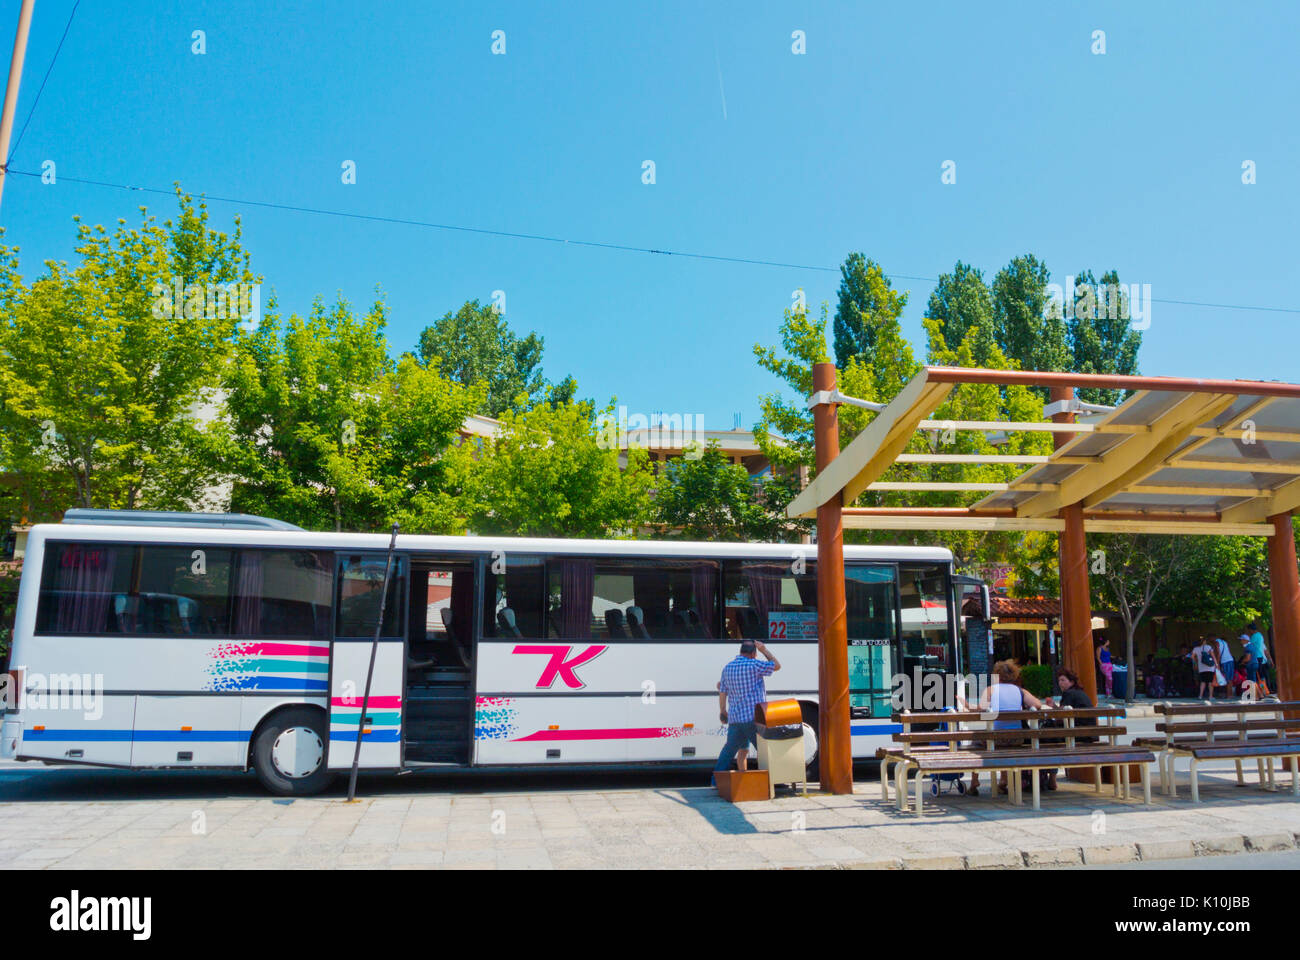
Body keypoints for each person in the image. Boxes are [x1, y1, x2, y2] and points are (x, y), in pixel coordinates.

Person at [958, 659, 1044, 796]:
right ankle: (1003, 780)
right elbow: (1038, 704)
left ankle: (974, 782)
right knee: (1002, 743)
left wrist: (968, 706)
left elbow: (982, 710)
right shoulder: (1020, 691)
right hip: (1017, 739)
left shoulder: (991, 690)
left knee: (976, 742)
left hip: (996, 740)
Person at [712, 640, 780, 782]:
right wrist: (764, 650)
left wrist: (723, 711)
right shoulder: (754, 665)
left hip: (735, 718)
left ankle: (716, 781)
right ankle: (773, 779)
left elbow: (723, 692)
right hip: (752, 718)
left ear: (740, 652)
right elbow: (777, 666)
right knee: (764, 750)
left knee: (731, 751)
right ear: (753, 653)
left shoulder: (727, 668)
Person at [1043, 667, 1098, 789]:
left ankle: (1050, 778)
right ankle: (1051, 778)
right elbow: (1065, 713)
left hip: (1078, 736)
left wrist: (1052, 710)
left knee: (1046, 740)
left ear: (1071, 682)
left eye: (1063, 680)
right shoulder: (1079, 693)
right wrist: (1054, 707)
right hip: (1089, 735)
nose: (1060, 683)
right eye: (1059, 680)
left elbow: (1061, 717)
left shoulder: (1069, 693)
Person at [1245, 623, 1273, 696]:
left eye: (1249, 630)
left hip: (1256, 657)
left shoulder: (1254, 636)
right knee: (1262, 676)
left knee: (1258, 676)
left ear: (1251, 630)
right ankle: (1264, 690)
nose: (1249, 632)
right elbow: (1265, 649)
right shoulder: (1260, 635)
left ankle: (1261, 691)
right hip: (1262, 657)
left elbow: (1249, 644)